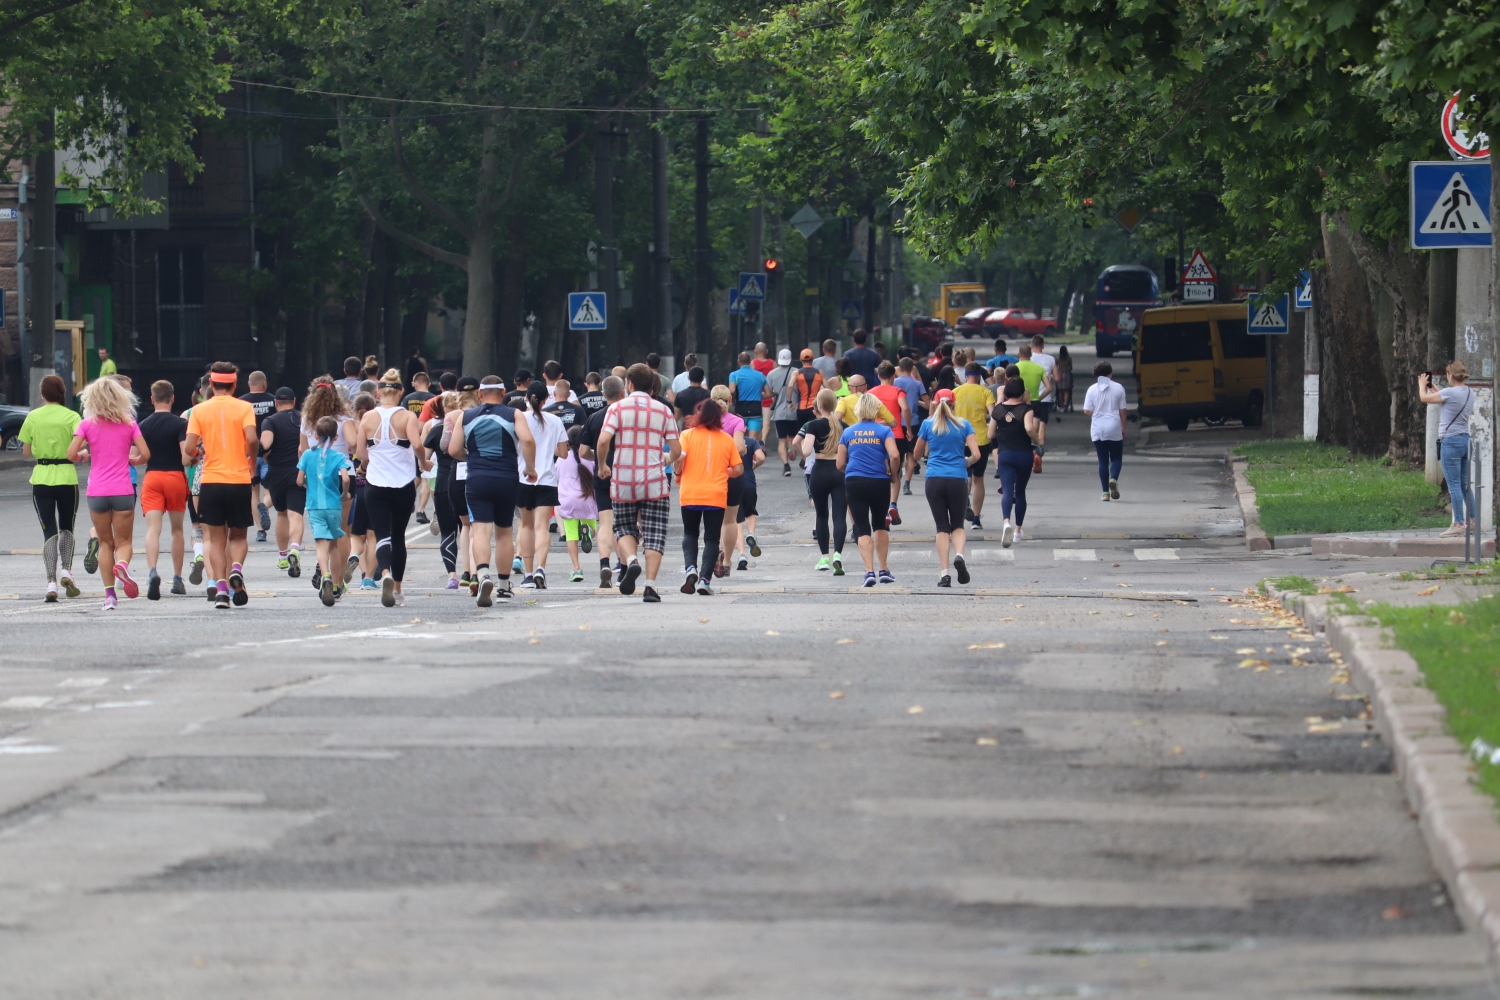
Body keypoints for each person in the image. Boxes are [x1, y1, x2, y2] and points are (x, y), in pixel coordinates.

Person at [594, 363, 681, 602]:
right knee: (655, 533)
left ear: (629, 384)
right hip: (654, 482)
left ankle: (631, 560)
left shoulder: (617, 408)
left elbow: (603, 441)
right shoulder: (663, 410)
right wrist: (667, 458)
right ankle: (650, 586)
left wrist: (601, 465)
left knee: (623, 526)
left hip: (623, 480)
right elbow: (676, 449)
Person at [449, 375, 537, 607]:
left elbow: (454, 449)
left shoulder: (466, 416)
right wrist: (530, 468)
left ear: (480, 393)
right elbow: (528, 441)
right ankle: (504, 587)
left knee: (480, 531)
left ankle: (483, 574)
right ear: (504, 393)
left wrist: (470, 457)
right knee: (504, 533)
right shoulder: (513, 414)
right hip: (507, 478)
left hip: (477, 478)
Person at [67, 377, 148, 610]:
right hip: (122, 489)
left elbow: (71, 454)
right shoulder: (129, 424)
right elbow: (145, 453)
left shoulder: (87, 424)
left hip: (98, 491)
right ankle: (122, 564)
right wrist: (134, 460)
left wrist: (84, 456)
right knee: (124, 542)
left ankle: (110, 596)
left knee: (104, 543)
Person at [185, 362, 258, 609]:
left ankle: (222, 591)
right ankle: (236, 568)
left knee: (216, 540)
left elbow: (189, 447)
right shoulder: (244, 407)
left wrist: (198, 453)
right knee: (238, 536)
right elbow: (252, 438)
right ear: (234, 384)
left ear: (212, 384)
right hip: (238, 479)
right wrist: (251, 460)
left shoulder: (199, 410)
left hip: (211, 480)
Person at [357, 369, 428, 607]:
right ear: (401, 392)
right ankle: (397, 588)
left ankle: (385, 572)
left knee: (381, 535)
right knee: (398, 536)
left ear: (378, 393)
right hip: (403, 483)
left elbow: (361, 453)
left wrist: (368, 464)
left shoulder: (367, 417)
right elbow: (416, 444)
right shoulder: (407, 416)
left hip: (375, 483)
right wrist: (423, 462)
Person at [19, 374, 82, 601]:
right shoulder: (72, 416)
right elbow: (78, 447)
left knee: (49, 531)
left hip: (41, 478)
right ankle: (66, 570)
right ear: (63, 392)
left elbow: (26, 452)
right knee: (67, 527)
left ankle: (51, 583)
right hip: (66, 476)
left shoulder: (33, 417)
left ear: (42, 394)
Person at [675, 397, 744, 595]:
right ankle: (705, 580)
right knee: (712, 538)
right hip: (716, 494)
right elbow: (739, 469)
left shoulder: (686, 435)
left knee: (690, 533)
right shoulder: (726, 439)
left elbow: (679, 459)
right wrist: (725, 472)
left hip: (690, 492)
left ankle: (690, 569)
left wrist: (678, 472)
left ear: (699, 414)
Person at [914, 388, 980, 587]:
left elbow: (916, 454)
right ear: (954, 404)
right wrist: (966, 461)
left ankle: (945, 575)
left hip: (934, 479)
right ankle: (959, 555)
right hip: (957, 479)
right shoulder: (964, 425)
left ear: (934, 403)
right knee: (957, 526)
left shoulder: (927, 424)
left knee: (942, 528)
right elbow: (976, 454)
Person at [838, 392, 900, 587]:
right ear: (876, 410)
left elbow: (840, 463)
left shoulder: (848, 432)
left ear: (857, 410)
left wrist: (851, 471)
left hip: (855, 481)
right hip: (879, 481)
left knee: (862, 527)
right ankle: (884, 569)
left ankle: (869, 572)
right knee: (880, 524)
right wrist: (893, 474)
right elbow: (895, 455)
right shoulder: (884, 430)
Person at [300, 377, 354, 597]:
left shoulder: (307, 420)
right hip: (342, 474)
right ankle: (339, 583)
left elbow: (302, 449)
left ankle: (326, 576)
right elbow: (353, 443)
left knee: (322, 533)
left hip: (317, 476)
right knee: (342, 532)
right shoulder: (344, 418)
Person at [139, 380, 190, 599]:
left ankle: (152, 571)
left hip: (152, 477)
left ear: (152, 399)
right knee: (177, 530)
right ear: (172, 398)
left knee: (153, 529)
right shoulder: (180, 424)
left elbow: (136, 455)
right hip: (175, 477)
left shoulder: (143, 425)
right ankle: (177, 578)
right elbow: (185, 454)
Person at [516, 381, 569, 589]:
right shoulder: (555, 421)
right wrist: (548, 447)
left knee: (526, 526)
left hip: (523, 478)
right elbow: (563, 453)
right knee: (542, 527)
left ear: (526, 398)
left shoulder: (519, 419)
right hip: (547, 479)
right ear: (547, 399)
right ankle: (541, 568)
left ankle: (528, 574)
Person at [579, 375, 626, 589]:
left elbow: (582, 451)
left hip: (602, 473)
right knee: (624, 523)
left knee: (605, 523)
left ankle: (604, 564)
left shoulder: (594, 418)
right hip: (625, 473)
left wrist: (600, 460)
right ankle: (623, 568)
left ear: (603, 394)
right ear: (623, 392)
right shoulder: (627, 416)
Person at [1420, 362, 1477, 537]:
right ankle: (1473, 520)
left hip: (1450, 442)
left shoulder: (1449, 392)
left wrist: (1422, 385)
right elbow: (1451, 404)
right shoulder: (1470, 392)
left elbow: (1424, 398)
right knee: (1464, 484)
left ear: (1450, 374)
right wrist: (1438, 392)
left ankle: (1458, 523)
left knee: (1454, 485)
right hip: (1465, 440)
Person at [258, 387, 306, 577]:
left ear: (275, 403)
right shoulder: (303, 419)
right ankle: (295, 548)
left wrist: (262, 454)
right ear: (294, 401)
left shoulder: (270, 421)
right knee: (296, 515)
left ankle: (283, 555)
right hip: (298, 472)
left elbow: (265, 445)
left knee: (281, 514)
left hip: (276, 473)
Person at [989, 377, 1040, 548]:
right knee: (1021, 491)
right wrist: (1038, 439)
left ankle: (1006, 522)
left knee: (1007, 491)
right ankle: (1018, 531)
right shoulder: (1026, 409)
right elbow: (1029, 428)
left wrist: (1002, 431)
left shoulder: (998, 409)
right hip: (1024, 454)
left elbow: (990, 434)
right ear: (1022, 391)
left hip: (1005, 454)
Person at [800, 389, 846, 574]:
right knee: (839, 516)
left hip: (819, 471)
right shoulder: (843, 425)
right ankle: (838, 555)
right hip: (839, 471)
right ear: (834, 404)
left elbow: (806, 451)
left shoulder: (813, 425)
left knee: (821, 515)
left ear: (819, 405)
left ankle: (824, 557)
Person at [443, 378, 483, 591]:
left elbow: (445, 445)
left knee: (465, 525)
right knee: (479, 525)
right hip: (479, 470)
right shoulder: (484, 414)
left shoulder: (452, 416)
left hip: (458, 471)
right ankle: (477, 571)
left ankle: (466, 571)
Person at [422, 393, 461, 589]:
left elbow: (424, 460)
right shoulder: (469, 426)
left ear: (443, 409)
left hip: (444, 482)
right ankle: (472, 572)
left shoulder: (437, 430)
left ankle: (452, 576)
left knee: (447, 531)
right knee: (471, 530)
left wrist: (425, 465)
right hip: (466, 481)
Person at [869, 361, 914, 526]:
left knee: (880, 472)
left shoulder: (871, 393)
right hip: (896, 436)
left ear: (879, 376)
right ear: (893, 376)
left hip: (875, 436)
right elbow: (905, 409)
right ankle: (892, 505)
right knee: (895, 474)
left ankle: (882, 511)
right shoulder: (898, 391)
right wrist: (908, 429)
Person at [952, 363, 995, 530]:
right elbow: (993, 414)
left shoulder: (955, 392)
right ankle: (976, 519)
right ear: (979, 376)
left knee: (962, 476)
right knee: (978, 479)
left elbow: (949, 415)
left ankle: (963, 504)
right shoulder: (986, 392)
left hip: (959, 439)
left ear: (966, 376)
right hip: (980, 440)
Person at [557, 426, 599, 583]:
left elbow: (556, 477)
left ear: (567, 442)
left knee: (571, 536)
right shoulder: (589, 456)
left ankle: (576, 569)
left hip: (568, 502)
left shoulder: (561, 458)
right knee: (593, 530)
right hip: (587, 500)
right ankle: (587, 532)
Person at [239, 371, 277, 542]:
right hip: (271, 453)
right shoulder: (273, 400)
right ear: (264, 384)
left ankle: (261, 531)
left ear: (249, 384)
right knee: (272, 489)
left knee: (253, 493)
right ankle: (266, 506)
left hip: (248, 453)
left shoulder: (241, 403)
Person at [1084, 360, 1128, 502]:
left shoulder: (1092, 389)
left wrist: (1096, 411)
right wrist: (1123, 428)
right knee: (1116, 458)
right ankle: (1113, 479)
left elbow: (1086, 410)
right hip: (1114, 426)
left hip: (1097, 429)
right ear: (1110, 373)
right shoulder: (1119, 388)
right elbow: (1122, 411)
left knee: (1102, 461)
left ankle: (1105, 493)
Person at [894, 357, 929, 495]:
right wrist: (918, 403)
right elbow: (928, 402)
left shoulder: (894, 382)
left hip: (896, 422)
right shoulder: (917, 384)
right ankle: (907, 484)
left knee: (897, 453)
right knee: (911, 455)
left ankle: (896, 476)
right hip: (913, 423)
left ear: (899, 368)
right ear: (912, 368)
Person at [1014, 344, 1052, 456]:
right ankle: (1035, 455)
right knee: (1032, 432)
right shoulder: (1039, 368)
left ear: (1019, 354)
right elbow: (1049, 387)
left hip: (1018, 402)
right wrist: (1039, 397)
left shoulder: (1015, 367)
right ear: (1031, 355)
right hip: (1035, 403)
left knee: (1019, 431)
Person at [734, 432, 765, 569]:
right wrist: (755, 465)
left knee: (737, 522)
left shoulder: (727, 441)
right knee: (750, 513)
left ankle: (742, 554)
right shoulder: (752, 441)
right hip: (749, 483)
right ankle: (751, 534)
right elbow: (761, 457)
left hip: (733, 482)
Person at [766, 348, 799, 476]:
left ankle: (786, 466)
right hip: (794, 410)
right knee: (793, 437)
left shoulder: (771, 374)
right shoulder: (797, 372)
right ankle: (792, 449)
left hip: (779, 412)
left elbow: (770, 393)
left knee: (781, 440)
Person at [729, 351, 770, 436]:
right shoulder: (760, 375)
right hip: (756, 409)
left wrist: (732, 401)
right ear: (750, 360)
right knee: (752, 440)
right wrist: (758, 396)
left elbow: (732, 391)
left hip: (741, 409)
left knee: (741, 438)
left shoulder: (734, 375)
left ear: (738, 361)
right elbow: (768, 393)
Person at [1055, 345, 1075, 414]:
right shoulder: (1069, 358)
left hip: (1060, 374)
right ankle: (1066, 403)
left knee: (1060, 391)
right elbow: (1071, 368)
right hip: (1067, 374)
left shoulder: (1058, 359)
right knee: (1066, 391)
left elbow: (1056, 367)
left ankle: (1062, 405)